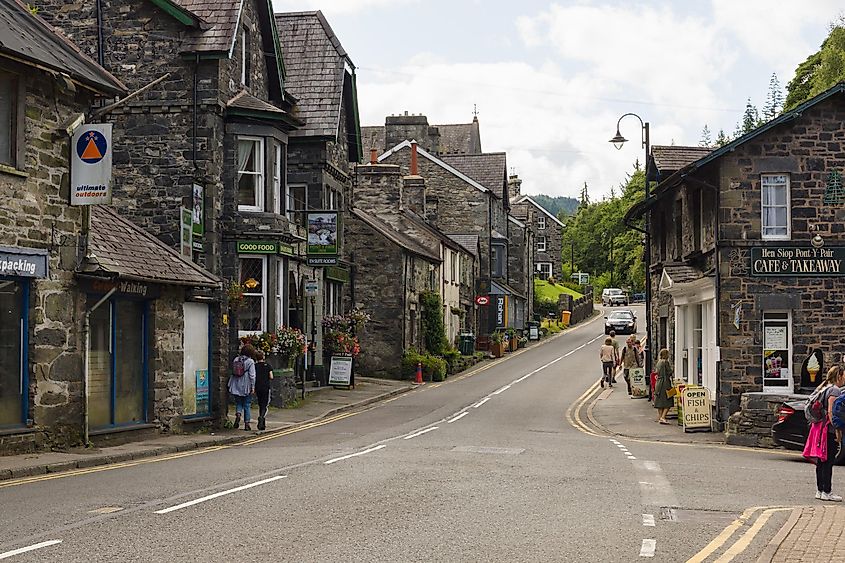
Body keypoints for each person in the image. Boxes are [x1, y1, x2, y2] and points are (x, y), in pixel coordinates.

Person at [812, 365, 845, 502]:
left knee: (821, 460)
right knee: (828, 461)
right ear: (839, 376)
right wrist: (837, 430)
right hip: (828, 430)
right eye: (844, 375)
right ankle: (827, 491)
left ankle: (820, 490)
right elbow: (832, 412)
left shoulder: (825, 387)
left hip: (821, 428)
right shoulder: (835, 390)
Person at [229, 343, 257, 431]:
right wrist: (253, 387)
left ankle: (238, 414)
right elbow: (252, 376)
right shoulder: (250, 362)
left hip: (236, 383)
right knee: (247, 404)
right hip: (246, 385)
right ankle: (247, 423)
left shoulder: (236, 359)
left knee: (238, 403)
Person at [254, 350, 274, 431]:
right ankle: (261, 418)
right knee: (265, 405)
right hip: (266, 387)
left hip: (258, 387)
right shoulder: (267, 366)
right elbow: (271, 376)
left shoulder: (255, 366)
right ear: (263, 357)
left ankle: (262, 424)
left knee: (260, 404)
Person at [653, 348, 674, 424]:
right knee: (668, 401)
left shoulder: (658, 362)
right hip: (665, 383)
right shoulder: (665, 362)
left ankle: (660, 417)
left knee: (660, 402)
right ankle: (663, 417)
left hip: (658, 383)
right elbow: (669, 372)